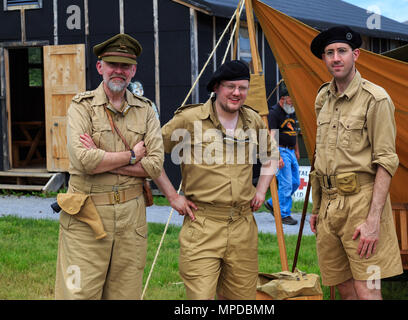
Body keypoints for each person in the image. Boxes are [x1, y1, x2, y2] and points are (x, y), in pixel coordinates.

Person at [153, 60, 278, 300]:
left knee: (241, 299)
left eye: (242, 88)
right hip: (203, 224)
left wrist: (261, 190)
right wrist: (172, 196)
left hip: (242, 225)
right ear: (217, 87)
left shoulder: (252, 120)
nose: (237, 93)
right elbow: (152, 153)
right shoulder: (190, 119)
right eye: (230, 86)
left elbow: (271, 155)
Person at [55, 33, 164, 299]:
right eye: (112, 64)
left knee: (124, 294)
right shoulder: (81, 107)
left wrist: (102, 159)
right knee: (77, 293)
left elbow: (155, 165)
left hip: (131, 219)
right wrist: (131, 156)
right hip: (86, 217)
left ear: (133, 70)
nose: (119, 71)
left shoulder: (146, 110)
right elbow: (83, 160)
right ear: (100, 67)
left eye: (125, 66)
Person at [308, 26, 403, 300]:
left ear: (355, 55)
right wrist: (316, 207)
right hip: (328, 204)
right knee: (343, 287)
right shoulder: (322, 98)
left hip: (361, 203)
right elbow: (320, 156)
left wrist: (373, 220)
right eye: (329, 53)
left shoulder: (376, 99)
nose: (336, 58)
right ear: (324, 59)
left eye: (342, 51)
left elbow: (386, 161)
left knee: (368, 289)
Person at [264, 82, 300, 225]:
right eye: (291, 100)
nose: (292, 103)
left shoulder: (290, 111)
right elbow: (271, 136)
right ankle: (284, 214)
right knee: (286, 184)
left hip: (291, 151)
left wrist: (297, 150)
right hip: (281, 150)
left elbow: (294, 132)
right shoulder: (274, 113)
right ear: (283, 99)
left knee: (295, 182)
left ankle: (273, 203)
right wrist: (276, 156)